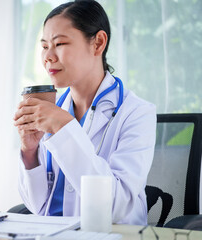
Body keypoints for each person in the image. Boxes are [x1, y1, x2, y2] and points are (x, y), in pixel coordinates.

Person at [13, 0, 156, 225]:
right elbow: (39, 207)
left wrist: (64, 129)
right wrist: (30, 152)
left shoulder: (137, 113)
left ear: (98, 43)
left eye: (59, 43)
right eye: (44, 46)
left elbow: (117, 208)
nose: (48, 56)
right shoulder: (53, 112)